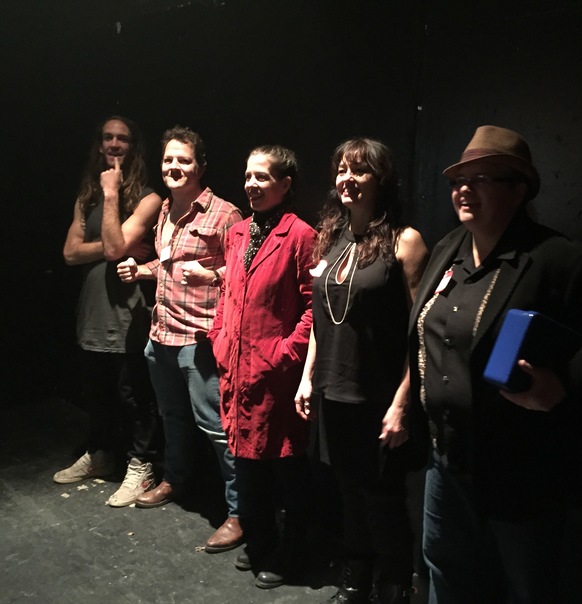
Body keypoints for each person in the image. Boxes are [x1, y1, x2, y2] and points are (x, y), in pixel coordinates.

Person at [407, 125, 582, 604]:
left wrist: (565, 384)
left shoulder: (559, 259)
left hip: (520, 470)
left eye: (481, 179)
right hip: (446, 460)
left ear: (518, 191)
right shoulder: (449, 248)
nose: (463, 189)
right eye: (458, 180)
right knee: (446, 574)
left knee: (527, 585)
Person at [294, 137, 429, 604]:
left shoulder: (404, 241)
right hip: (334, 389)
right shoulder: (331, 237)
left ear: (381, 178)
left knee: (382, 497)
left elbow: (420, 330)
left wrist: (402, 403)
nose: (347, 179)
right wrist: (308, 376)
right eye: (341, 170)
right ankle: (356, 580)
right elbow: (322, 319)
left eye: (359, 170)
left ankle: (394, 586)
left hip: (379, 395)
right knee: (348, 491)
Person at [116, 126, 244, 552]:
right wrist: (142, 270)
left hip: (199, 339)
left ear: (200, 167)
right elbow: (168, 262)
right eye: (168, 159)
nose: (174, 167)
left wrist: (213, 274)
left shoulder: (225, 214)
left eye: (183, 160)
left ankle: (240, 511)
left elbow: (245, 271)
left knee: (217, 428)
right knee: (172, 417)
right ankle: (175, 480)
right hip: (161, 334)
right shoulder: (165, 210)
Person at [207, 145, 316, 589]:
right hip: (237, 367)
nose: (251, 184)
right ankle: (261, 539)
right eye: (248, 176)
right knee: (247, 463)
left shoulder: (301, 236)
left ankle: (293, 551)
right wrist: (218, 336)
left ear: (285, 184)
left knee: (285, 466)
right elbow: (227, 293)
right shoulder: (236, 233)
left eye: (262, 177)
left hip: (276, 375)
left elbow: (313, 307)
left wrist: (285, 353)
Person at [54, 115, 162, 508]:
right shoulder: (86, 197)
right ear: (99, 145)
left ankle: (141, 463)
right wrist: (115, 246)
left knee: (133, 395)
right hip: (93, 310)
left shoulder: (149, 198)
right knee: (97, 393)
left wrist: (113, 192)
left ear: (134, 147)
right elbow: (70, 253)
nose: (115, 144)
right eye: (108, 138)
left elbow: (116, 249)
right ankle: (100, 454)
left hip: (128, 313)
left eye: (123, 139)